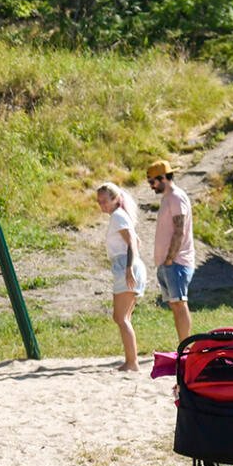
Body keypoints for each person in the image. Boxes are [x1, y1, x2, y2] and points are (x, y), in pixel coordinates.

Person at [94, 182, 147, 372]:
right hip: (125, 265)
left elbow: (132, 243)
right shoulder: (121, 216)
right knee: (123, 317)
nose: (102, 205)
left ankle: (132, 362)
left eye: (105, 201)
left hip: (125, 266)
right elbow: (136, 241)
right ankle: (131, 360)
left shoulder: (118, 216)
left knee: (120, 317)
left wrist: (128, 267)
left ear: (116, 199)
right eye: (99, 202)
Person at [147, 159, 195, 343]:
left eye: (153, 182)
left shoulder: (176, 197)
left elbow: (179, 229)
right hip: (167, 262)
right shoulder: (168, 197)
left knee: (180, 303)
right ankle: (183, 344)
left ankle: (186, 346)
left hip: (176, 262)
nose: (151, 186)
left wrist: (170, 258)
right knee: (175, 305)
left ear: (163, 178)